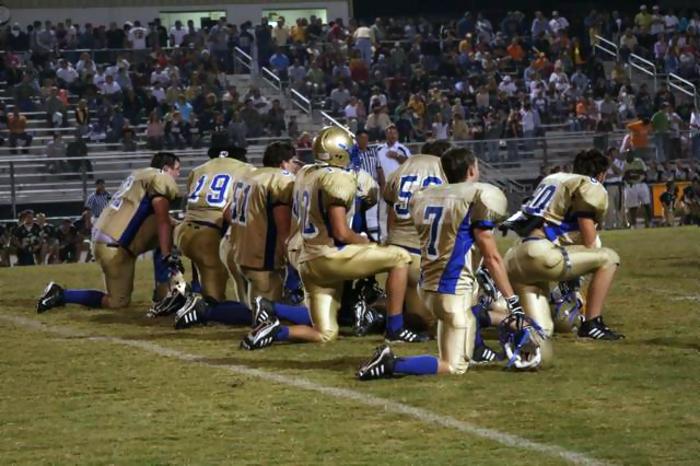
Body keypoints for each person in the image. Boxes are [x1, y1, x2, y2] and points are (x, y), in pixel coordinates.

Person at [240, 126, 423, 349]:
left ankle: (274, 328)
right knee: (400, 257)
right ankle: (395, 329)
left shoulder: (305, 173)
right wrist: (367, 243)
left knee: (325, 333)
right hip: (326, 256)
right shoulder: (337, 178)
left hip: (306, 260)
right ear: (339, 152)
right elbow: (341, 232)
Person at [357, 147, 528, 379]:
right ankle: (392, 364)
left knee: (472, 293)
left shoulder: (424, 196)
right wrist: (513, 301)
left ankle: (476, 346)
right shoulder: (474, 197)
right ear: (471, 170)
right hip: (452, 290)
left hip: (428, 286)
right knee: (453, 366)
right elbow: (492, 257)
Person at [502, 149, 623, 340]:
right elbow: (591, 244)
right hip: (540, 254)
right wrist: (573, 279)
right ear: (601, 175)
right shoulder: (589, 185)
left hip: (515, 255)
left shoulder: (554, 178)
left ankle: (485, 317)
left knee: (541, 331)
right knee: (608, 257)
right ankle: (592, 324)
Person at [37, 152, 182, 312]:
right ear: (165, 168)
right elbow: (162, 220)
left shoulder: (139, 175)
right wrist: (167, 255)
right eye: (176, 169)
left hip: (103, 239)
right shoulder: (160, 178)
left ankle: (61, 294)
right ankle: (167, 291)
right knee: (174, 227)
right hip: (117, 243)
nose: (178, 173)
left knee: (117, 301)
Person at [382, 140, 448, 338]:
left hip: (398, 251)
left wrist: (391, 239)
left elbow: (391, 208)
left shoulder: (402, 169)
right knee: (435, 324)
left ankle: (386, 316)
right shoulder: (445, 169)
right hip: (427, 257)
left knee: (416, 319)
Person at [176, 146, 253, 303]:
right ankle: (198, 307)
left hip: (184, 230)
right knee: (215, 297)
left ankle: (195, 293)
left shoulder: (198, 170)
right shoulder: (246, 169)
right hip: (209, 232)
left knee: (206, 270)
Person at [355, 129, 383, 240]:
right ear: (357, 139)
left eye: (366, 138)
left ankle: (375, 237)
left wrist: (383, 185)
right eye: (362, 138)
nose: (364, 141)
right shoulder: (352, 154)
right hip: (357, 187)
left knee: (373, 214)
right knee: (358, 213)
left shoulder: (373, 152)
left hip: (372, 187)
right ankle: (358, 235)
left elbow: (379, 170)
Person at [624, 151, 651, 228]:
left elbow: (643, 172)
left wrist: (632, 174)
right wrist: (635, 174)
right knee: (632, 206)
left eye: (631, 154)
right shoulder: (624, 164)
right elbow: (625, 175)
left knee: (646, 204)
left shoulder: (639, 161)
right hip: (631, 185)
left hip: (641, 184)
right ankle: (633, 224)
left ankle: (649, 222)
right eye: (628, 154)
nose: (629, 155)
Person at [604, 147, 627, 229]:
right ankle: (609, 225)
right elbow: (605, 176)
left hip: (618, 185)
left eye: (616, 152)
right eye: (613, 152)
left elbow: (620, 173)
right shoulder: (604, 163)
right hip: (609, 186)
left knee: (620, 206)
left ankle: (620, 225)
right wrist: (615, 174)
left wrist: (612, 164)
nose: (615, 153)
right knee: (609, 207)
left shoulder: (620, 162)